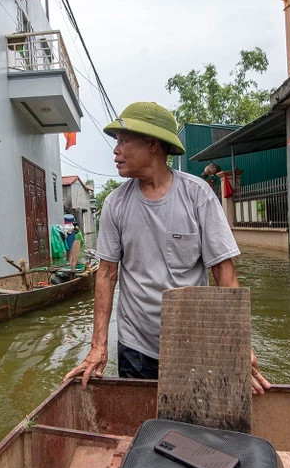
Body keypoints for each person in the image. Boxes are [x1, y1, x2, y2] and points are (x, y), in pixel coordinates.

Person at [64, 102, 270, 393]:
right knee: (142, 426)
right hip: (136, 346)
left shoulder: (197, 195)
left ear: (151, 144)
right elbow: (107, 275)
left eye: (123, 140)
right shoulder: (115, 204)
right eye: (117, 142)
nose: (116, 149)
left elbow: (224, 273)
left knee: (189, 427)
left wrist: (239, 344)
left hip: (192, 341)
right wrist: (98, 346)